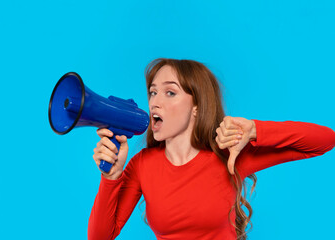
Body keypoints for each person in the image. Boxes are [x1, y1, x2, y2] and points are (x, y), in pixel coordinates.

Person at [88, 58, 335, 240]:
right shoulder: (142, 164)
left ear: (196, 106)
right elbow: (100, 237)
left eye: (170, 92)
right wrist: (110, 178)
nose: (155, 102)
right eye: (153, 92)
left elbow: (324, 140)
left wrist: (255, 130)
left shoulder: (229, 154)